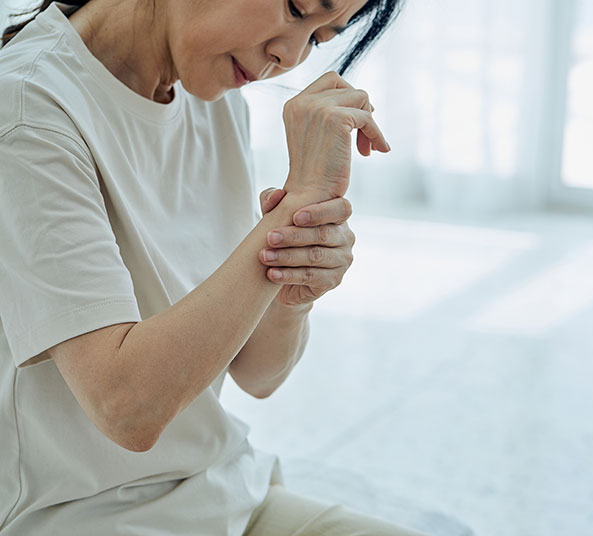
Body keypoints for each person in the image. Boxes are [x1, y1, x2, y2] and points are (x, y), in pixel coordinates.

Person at [0, 0, 425, 534]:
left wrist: (294, 277)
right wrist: (295, 206)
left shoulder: (212, 95)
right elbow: (127, 410)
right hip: (85, 518)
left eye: (319, 38)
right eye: (296, 8)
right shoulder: (25, 109)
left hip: (222, 495)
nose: (290, 56)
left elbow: (259, 373)